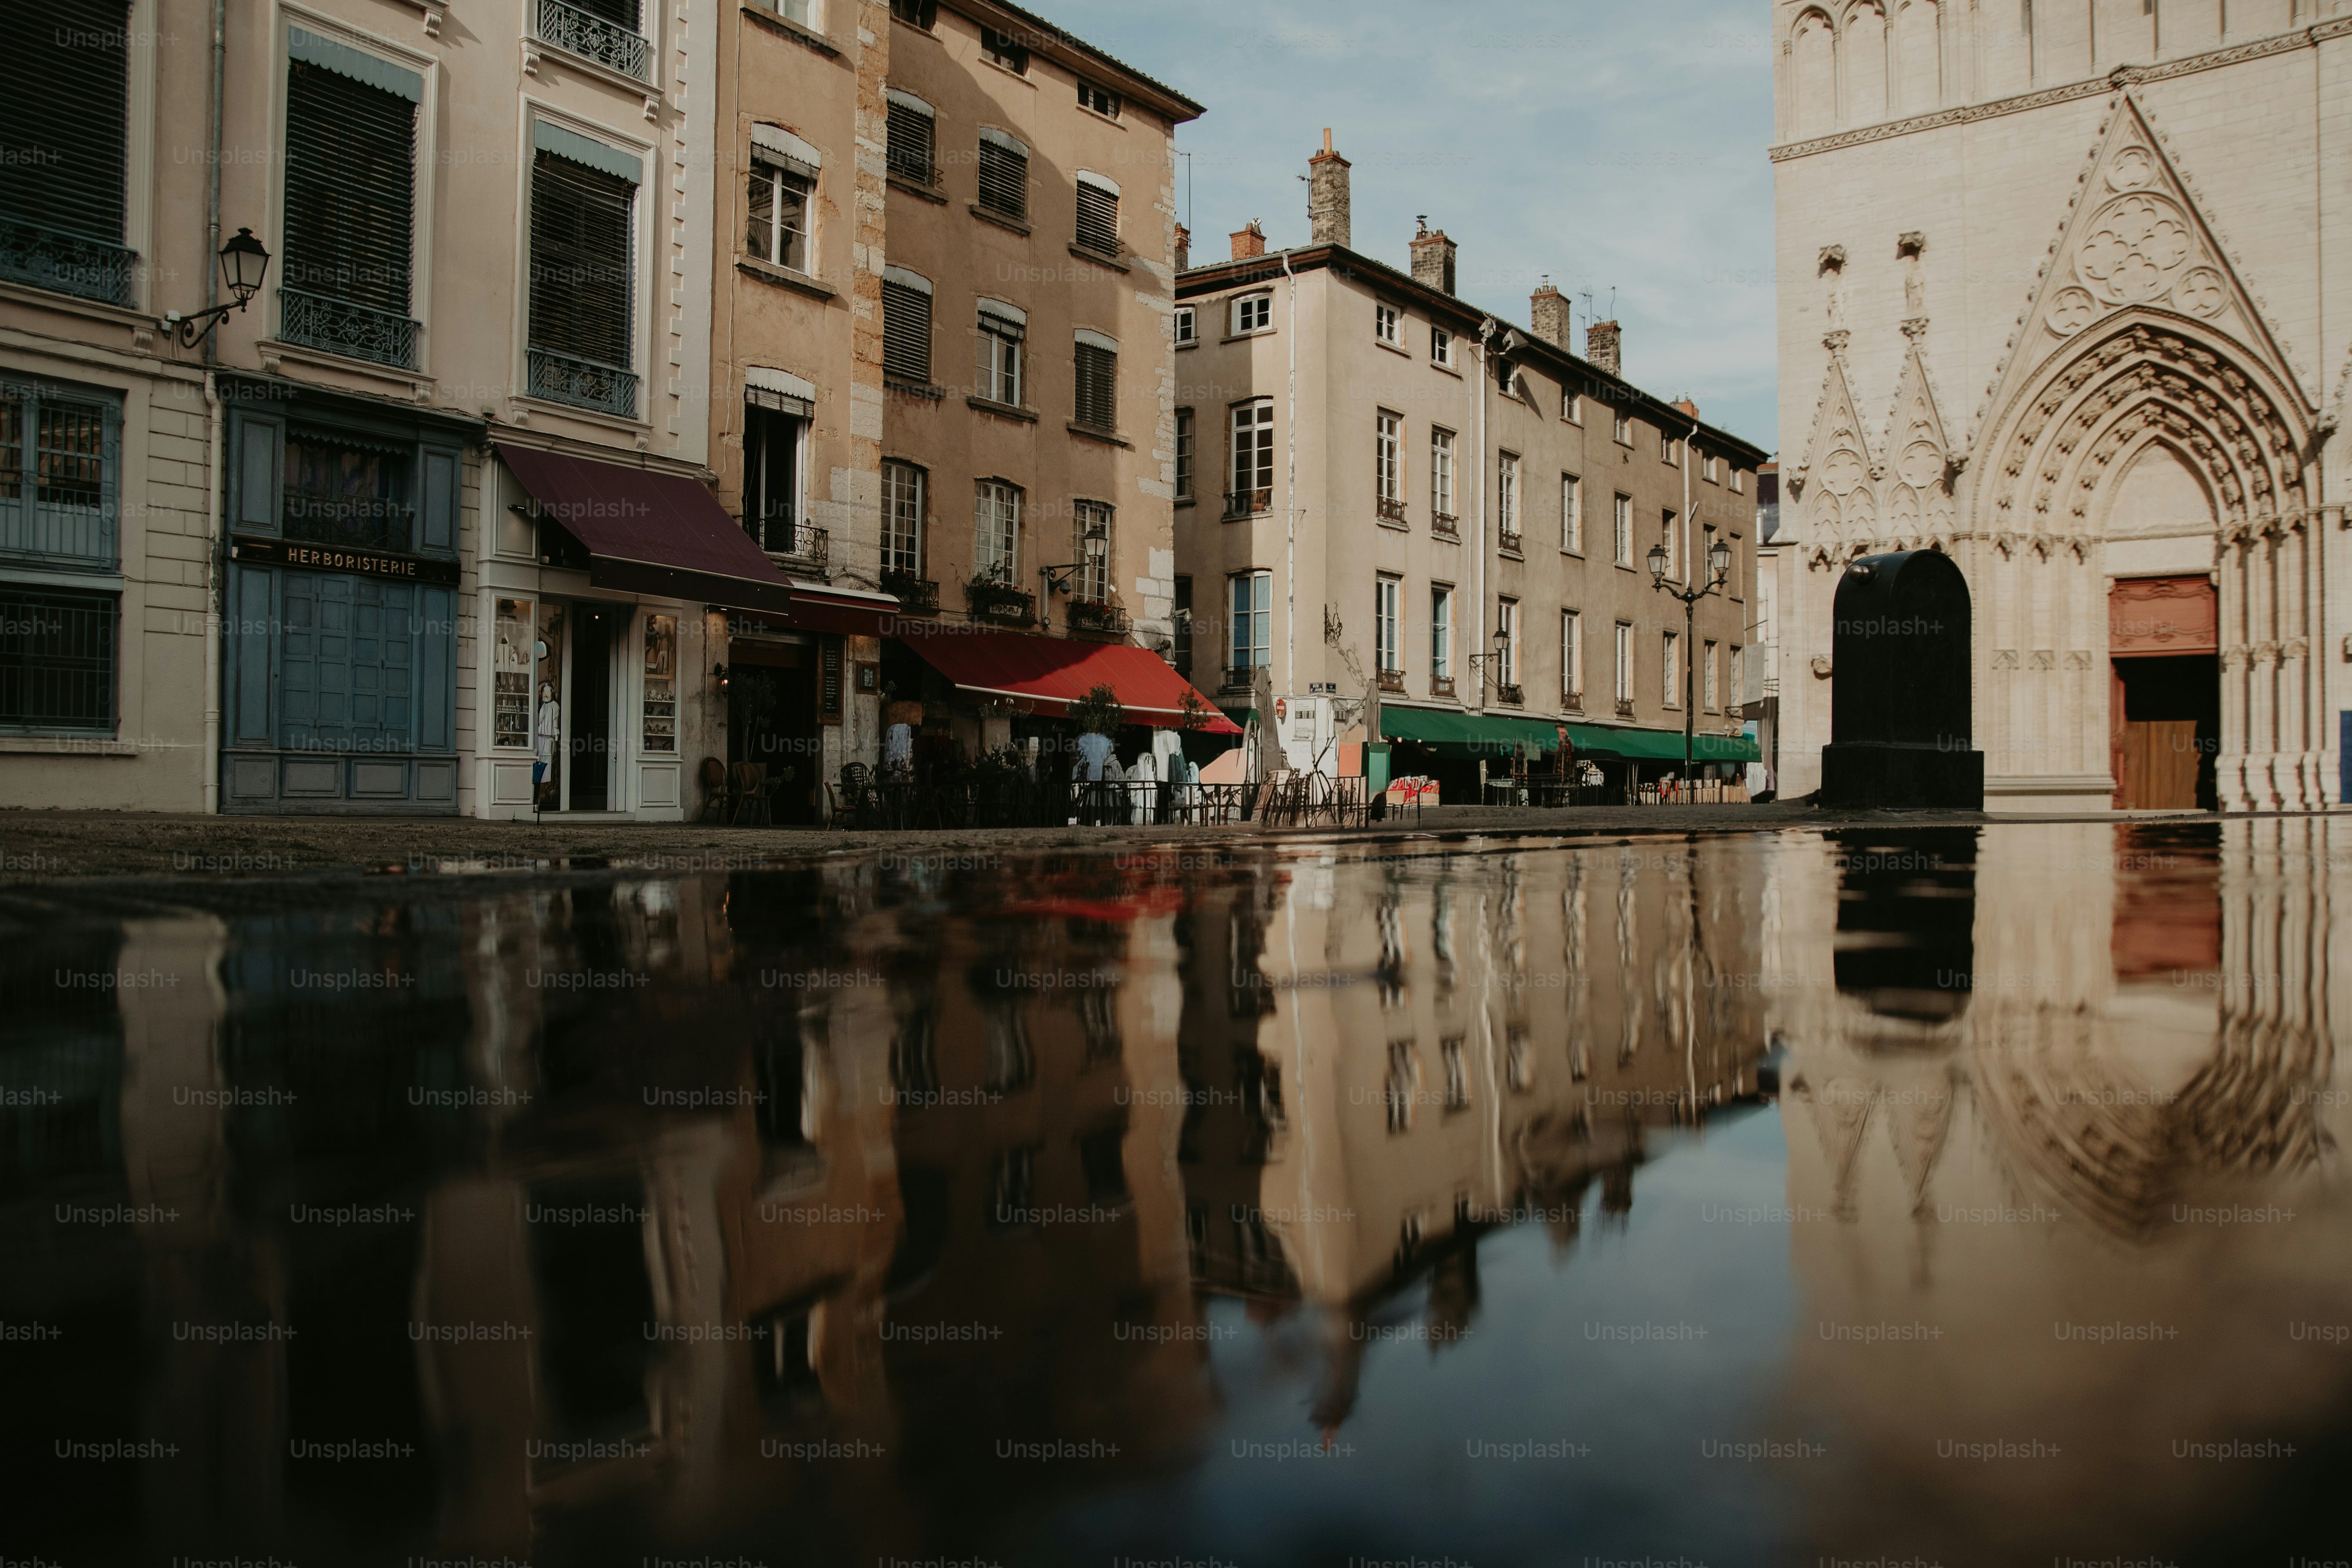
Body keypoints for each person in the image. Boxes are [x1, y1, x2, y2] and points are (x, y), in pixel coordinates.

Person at [533, 681, 561, 807]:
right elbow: (538, 720)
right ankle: (538, 790)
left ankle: (545, 787)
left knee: (547, 759)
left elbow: (555, 722)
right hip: (540, 736)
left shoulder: (555, 706)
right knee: (539, 759)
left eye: (548, 691)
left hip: (549, 737)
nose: (546, 694)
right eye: (544, 692)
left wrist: (556, 737)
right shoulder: (541, 705)